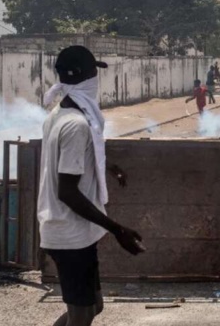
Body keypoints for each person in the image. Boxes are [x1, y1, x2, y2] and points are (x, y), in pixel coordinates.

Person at [39, 45, 145, 326]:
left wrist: (106, 166)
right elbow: (67, 191)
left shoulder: (59, 115)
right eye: (94, 73)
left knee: (93, 307)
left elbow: (74, 157)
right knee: (82, 314)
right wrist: (117, 229)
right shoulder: (76, 125)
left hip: (74, 233)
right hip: (69, 235)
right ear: (87, 78)